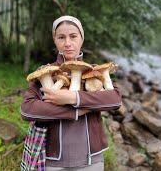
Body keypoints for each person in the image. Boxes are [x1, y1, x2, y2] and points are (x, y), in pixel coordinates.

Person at [20, 15, 122, 171]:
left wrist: (73, 97)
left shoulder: (95, 70)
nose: (67, 43)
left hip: (91, 160)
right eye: (61, 37)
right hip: (53, 161)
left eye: (73, 36)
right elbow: (26, 110)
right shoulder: (45, 72)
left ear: (82, 38)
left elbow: (115, 100)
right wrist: (76, 112)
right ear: (55, 40)